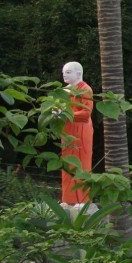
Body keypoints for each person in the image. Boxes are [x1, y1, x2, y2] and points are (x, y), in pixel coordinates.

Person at [59, 61, 93, 207]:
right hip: (66, 129)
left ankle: (82, 198)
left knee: (81, 162)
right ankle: (68, 198)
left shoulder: (85, 89)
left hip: (81, 129)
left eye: (68, 72)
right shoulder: (64, 91)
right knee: (67, 163)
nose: (64, 75)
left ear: (79, 73)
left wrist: (67, 114)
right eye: (63, 72)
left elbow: (86, 112)